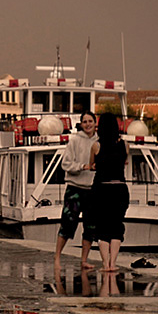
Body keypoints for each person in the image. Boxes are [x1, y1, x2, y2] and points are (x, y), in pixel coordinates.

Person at [54, 111, 98, 274]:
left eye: (90, 121)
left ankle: (84, 260)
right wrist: (82, 166)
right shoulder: (74, 141)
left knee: (90, 226)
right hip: (75, 188)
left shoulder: (100, 141)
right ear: (80, 124)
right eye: (85, 121)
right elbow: (65, 164)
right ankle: (57, 257)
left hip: (92, 189)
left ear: (95, 123)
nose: (88, 124)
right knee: (67, 223)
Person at [88, 112, 130, 272]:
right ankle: (114, 263)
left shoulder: (96, 146)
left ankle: (105, 264)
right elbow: (125, 161)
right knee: (116, 226)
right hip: (120, 188)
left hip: (102, 189)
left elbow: (92, 164)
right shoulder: (125, 145)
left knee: (102, 227)